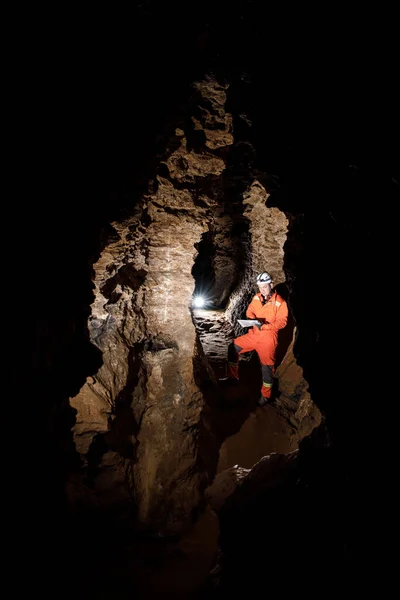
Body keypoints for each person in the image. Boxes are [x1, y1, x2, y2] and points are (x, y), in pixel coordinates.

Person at [220, 271, 288, 406]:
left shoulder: (280, 302)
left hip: (268, 339)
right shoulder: (257, 297)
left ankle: (266, 395)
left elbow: (282, 322)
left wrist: (265, 326)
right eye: (260, 287)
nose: (262, 289)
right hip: (254, 334)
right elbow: (249, 311)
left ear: (271, 285)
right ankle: (232, 377)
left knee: (267, 367)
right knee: (233, 347)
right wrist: (252, 319)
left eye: (265, 286)